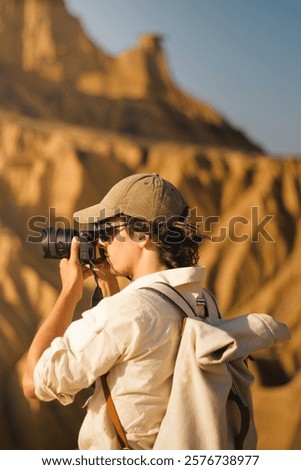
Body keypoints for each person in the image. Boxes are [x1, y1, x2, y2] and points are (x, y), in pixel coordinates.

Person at [22, 173, 206, 450]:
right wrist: (109, 283)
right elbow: (134, 343)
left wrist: (69, 294)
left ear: (142, 233)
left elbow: (33, 383)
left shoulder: (128, 312)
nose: (103, 243)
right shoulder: (199, 301)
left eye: (108, 232)